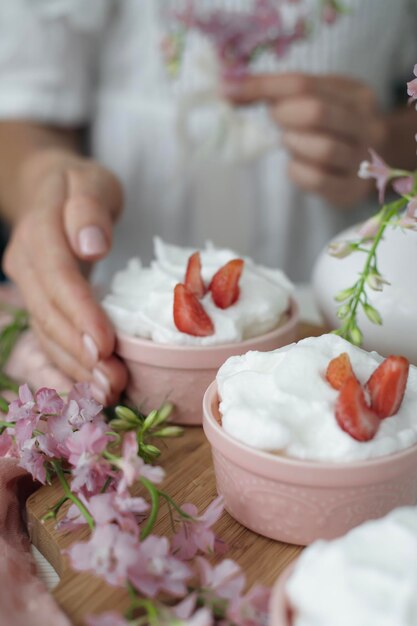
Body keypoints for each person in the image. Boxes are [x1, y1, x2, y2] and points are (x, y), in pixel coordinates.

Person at [0, 0, 416, 405]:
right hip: (127, 292)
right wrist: (43, 182)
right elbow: (21, 106)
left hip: (347, 290)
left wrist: (390, 143)